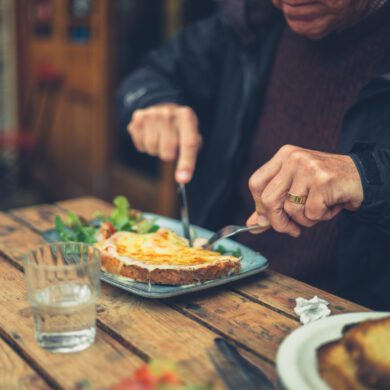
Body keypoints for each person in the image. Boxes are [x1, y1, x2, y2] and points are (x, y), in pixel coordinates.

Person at [117, 0, 390, 309]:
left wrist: (365, 176)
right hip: (218, 289)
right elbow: (150, 73)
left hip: (348, 323)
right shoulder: (251, 22)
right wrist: (153, 102)